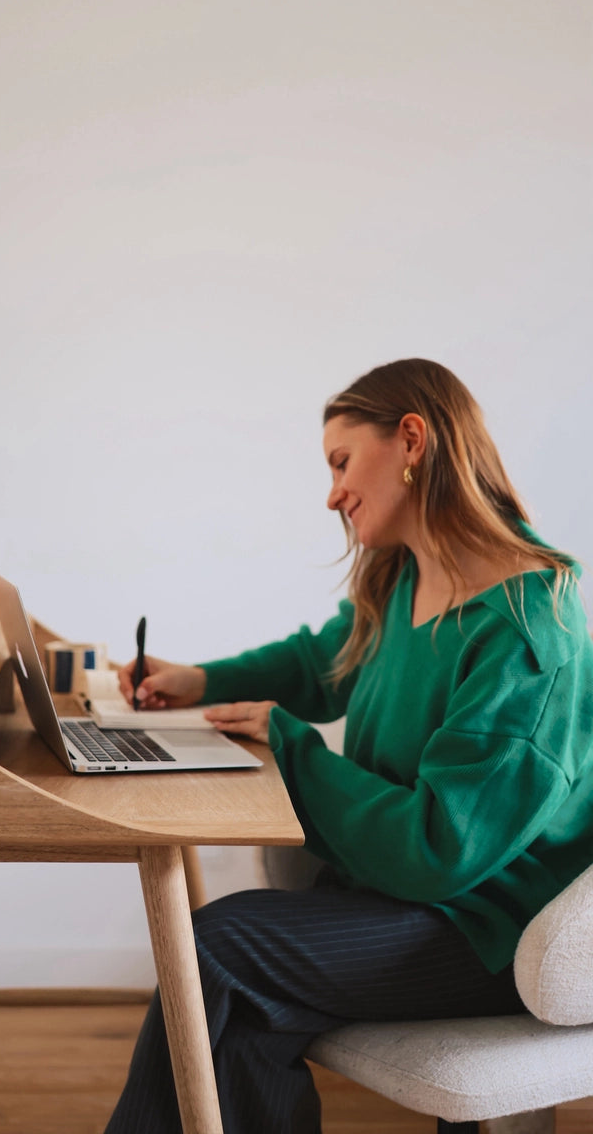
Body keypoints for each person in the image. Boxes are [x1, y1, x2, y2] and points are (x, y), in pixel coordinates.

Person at [104, 358, 593, 1134]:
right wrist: (194, 681)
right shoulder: (407, 576)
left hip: (482, 928)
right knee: (241, 1019)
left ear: (411, 440)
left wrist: (291, 746)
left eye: (340, 461)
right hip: (403, 896)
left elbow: (442, 850)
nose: (331, 492)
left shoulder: (530, 634)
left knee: (215, 949)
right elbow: (319, 662)